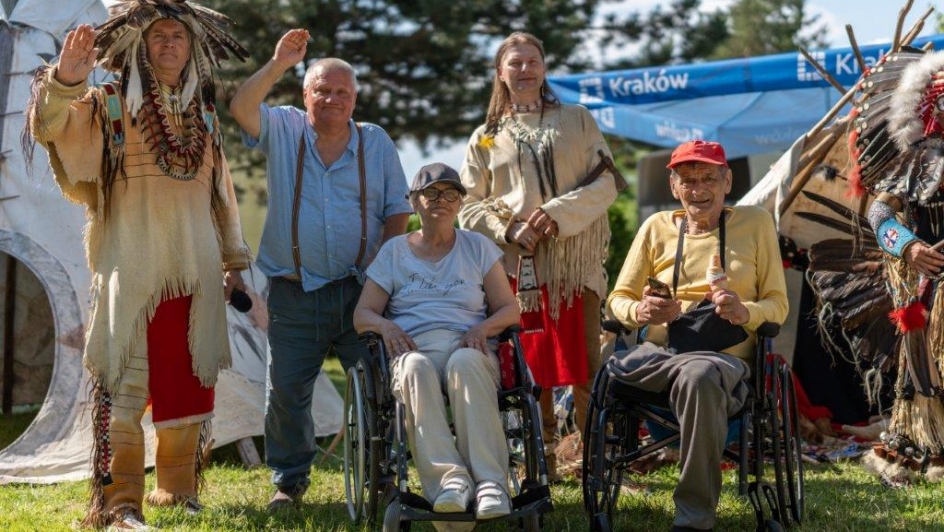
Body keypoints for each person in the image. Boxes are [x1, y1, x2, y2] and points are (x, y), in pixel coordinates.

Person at [23, 1, 251, 528]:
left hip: (195, 268)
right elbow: (50, 127)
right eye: (158, 36)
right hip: (133, 266)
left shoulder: (205, 117)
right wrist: (63, 82)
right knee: (125, 382)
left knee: (188, 378)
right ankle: (121, 501)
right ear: (139, 48)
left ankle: (176, 489)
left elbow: (223, 198)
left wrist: (235, 263)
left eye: (178, 35)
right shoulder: (108, 105)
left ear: (192, 46)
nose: (169, 43)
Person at [229, 28, 411, 510]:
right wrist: (277, 64)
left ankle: (384, 474)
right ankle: (290, 481)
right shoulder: (285, 127)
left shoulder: (375, 141)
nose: (332, 98)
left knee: (379, 387)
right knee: (287, 390)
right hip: (295, 289)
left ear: (354, 100)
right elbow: (240, 109)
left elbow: (398, 210)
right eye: (322, 90)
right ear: (305, 94)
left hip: (362, 291)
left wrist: (384, 274)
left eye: (342, 92)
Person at [457, 32, 622, 474]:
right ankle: (541, 457)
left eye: (532, 61)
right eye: (515, 63)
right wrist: (508, 228)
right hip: (518, 266)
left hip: (574, 261)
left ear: (544, 68)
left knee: (585, 362)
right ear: (500, 73)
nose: (525, 69)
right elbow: (468, 203)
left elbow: (607, 182)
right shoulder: (486, 136)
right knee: (532, 368)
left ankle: (593, 462)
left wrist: (555, 214)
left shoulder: (577, 119)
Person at [607, 140, 788, 532]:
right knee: (674, 371)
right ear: (673, 187)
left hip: (722, 363)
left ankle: (693, 518)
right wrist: (641, 310)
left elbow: (778, 305)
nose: (698, 189)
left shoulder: (756, 223)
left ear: (728, 181)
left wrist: (745, 312)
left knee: (699, 373)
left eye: (708, 178)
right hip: (658, 360)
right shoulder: (655, 228)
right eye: (687, 180)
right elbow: (617, 300)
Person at [354, 163, 520, 527]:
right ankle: (451, 482)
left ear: (461, 202)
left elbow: (510, 309)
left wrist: (485, 328)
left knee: (464, 362)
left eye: (450, 193)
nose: (440, 201)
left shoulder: (478, 247)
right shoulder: (395, 252)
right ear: (414, 201)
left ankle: (491, 483)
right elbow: (363, 315)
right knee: (415, 367)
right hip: (412, 350)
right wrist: (386, 327)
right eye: (430, 193)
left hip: (470, 347)